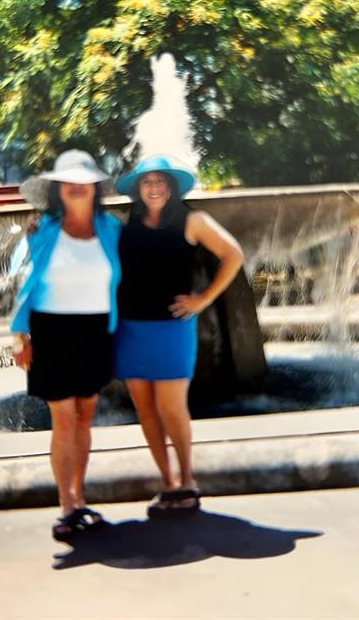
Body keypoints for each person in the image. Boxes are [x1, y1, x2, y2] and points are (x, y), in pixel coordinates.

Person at [114, 154, 244, 516]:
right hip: (130, 329)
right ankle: (168, 482)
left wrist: (202, 300)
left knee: (172, 409)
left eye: (160, 181)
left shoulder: (193, 220)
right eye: (147, 182)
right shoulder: (128, 224)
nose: (154, 188)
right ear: (138, 189)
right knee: (145, 410)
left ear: (171, 186)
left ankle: (187, 480)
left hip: (172, 329)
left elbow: (233, 254)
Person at [10, 150, 121, 541]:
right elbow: (24, 280)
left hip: (96, 331)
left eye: (83, 180)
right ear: (59, 189)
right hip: (51, 331)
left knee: (85, 417)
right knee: (63, 417)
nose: (77, 187)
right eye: (69, 181)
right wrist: (20, 334)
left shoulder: (112, 228)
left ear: (95, 188)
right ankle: (67, 502)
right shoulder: (43, 228)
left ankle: (80, 494)